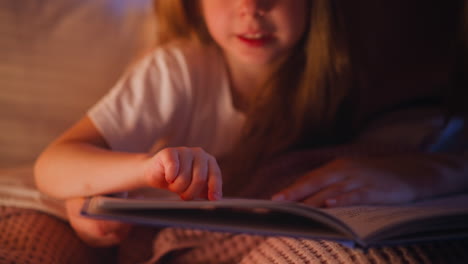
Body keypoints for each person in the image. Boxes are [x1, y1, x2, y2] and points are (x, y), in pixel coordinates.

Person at [34, 0, 468, 248]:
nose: (251, 7)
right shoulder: (180, 71)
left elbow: (440, 151)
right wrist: (145, 169)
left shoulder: (345, 74)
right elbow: (52, 164)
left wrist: (407, 179)